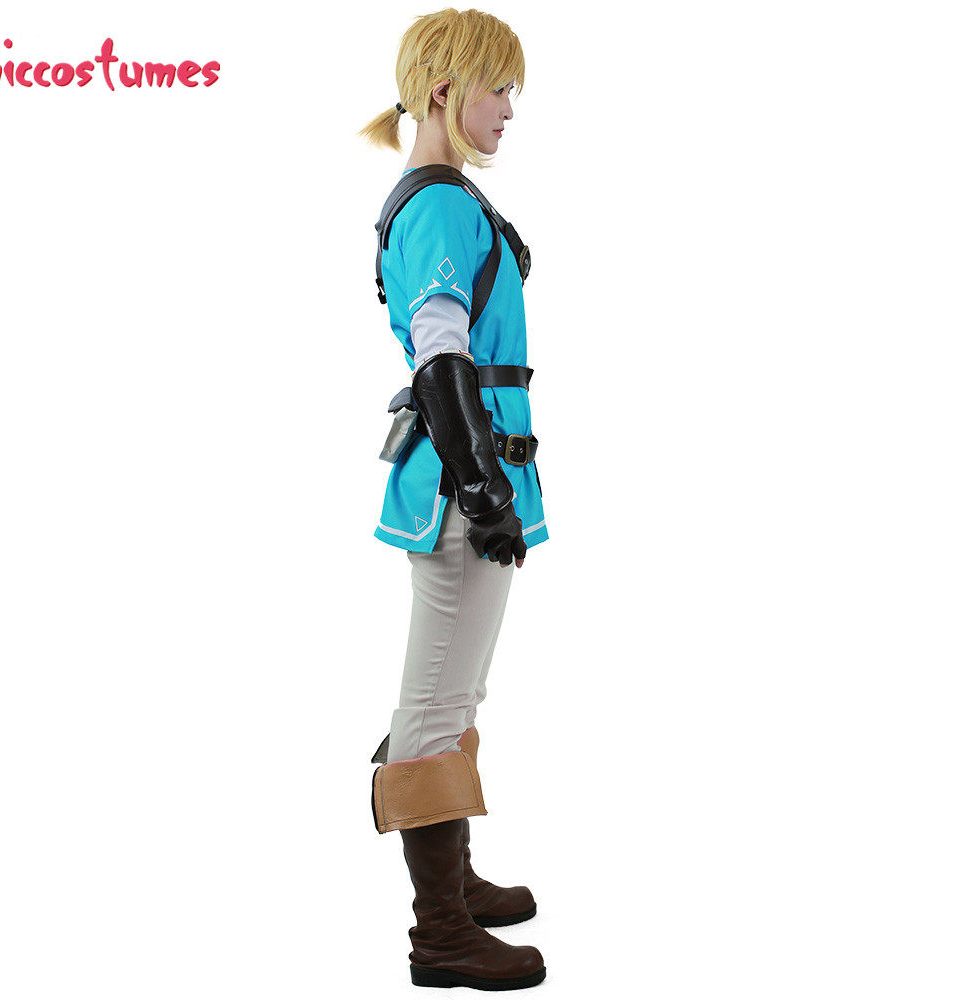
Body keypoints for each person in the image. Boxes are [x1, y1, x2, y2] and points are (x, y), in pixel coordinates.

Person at [358, 8, 549, 991]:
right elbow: (442, 357)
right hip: (458, 484)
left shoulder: (450, 197)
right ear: (444, 91)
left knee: (456, 692)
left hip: (477, 474)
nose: (509, 108)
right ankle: (439, 935)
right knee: (434, 704)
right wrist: (480, 483)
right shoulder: (437, 203)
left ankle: (456, 882)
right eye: (498, 88)